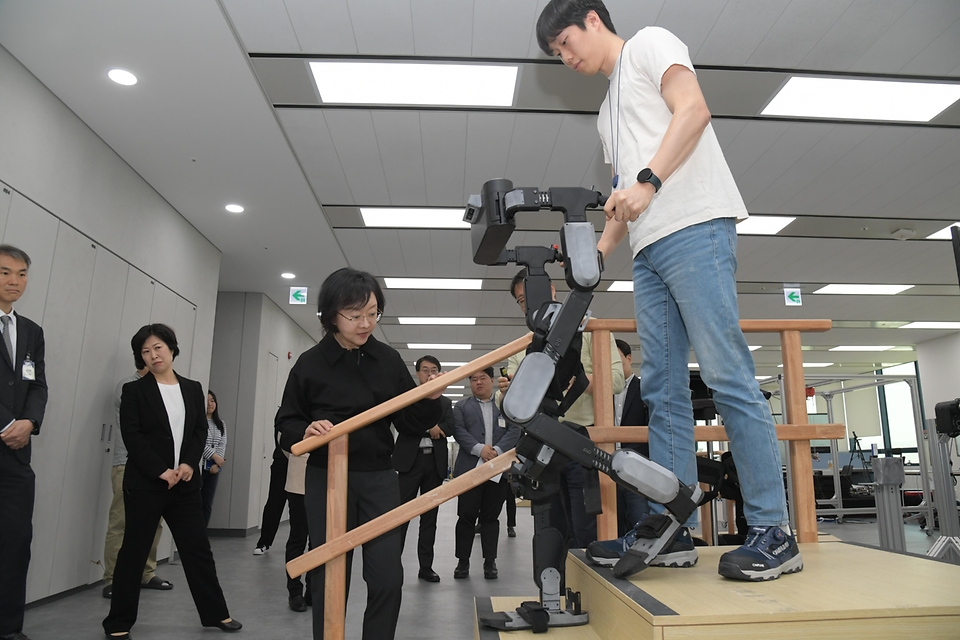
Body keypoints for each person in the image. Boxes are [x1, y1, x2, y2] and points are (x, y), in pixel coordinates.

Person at [537, 0, 802, 581]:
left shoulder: (649, 45)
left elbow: (694, 110)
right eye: (556, 55)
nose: (565, 58)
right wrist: (595, 257)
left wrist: (650, 181)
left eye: (564, 44)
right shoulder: (607, 111)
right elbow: (620, 194)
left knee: (727, 375)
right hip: (650, 248)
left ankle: (774, 530)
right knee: (660, 389)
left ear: (591, 19)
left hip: (695, 225)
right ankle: (672, 525)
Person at [275, 268, 444, 640]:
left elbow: (410, 422)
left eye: (373, 313)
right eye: (355, 315)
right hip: (326, 476)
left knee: (387, 576)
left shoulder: (386, 360)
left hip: (379, 477)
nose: (366, 323)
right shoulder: (309, 364)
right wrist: (305, 430)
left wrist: (431, 399)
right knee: (328, 578)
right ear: (330, 315)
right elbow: (286, 421)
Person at [103, 324, 241, 638]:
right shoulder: (134, 390)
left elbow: (198, 431)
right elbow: (132, 436)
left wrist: (190, 463)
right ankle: (118, 623)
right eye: (145, 351)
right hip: (147, 484)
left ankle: (216, 614)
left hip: (185, 484)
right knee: (134, 552)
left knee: (198, 551)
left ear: (171, 349)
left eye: (158, 348)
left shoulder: (192, 388)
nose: (153, 355)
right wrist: (159, 469)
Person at [497, 269, 623, 548]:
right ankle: (561, 589)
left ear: (552, 291)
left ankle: (590, 589)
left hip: (583, 442)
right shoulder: (525, 344)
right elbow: (505, 400)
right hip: (544, 448)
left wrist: (577, 382)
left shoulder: (592, 329)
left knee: (586, 531)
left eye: (530, 296)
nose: (527, 304)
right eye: (521, 301)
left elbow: (615, 381)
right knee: (551, 534)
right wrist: (505, 392)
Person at [0, 245, 47, 640]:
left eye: (21, 273)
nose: (14, 281)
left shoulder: (31, 331)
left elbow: (38, 384)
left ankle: (10, 628)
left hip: (16, 459)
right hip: (6, 435)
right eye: (4, 273)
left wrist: (30, 421)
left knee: (16, 542)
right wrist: (7, 423)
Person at [102, 363, 174, 598]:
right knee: (121, 522)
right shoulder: (129, 386)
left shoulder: (162, 389)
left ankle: (146, 572)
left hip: (159, 468)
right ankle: (113, 578)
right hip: (128, 464)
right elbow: (136, 431)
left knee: (155, 522)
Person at [452, 368, 520, 580]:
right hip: (469, 469)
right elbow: (458, 430)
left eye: (483, 378)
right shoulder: (461, 406)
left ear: (492, 380)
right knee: (466, 517)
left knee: (491, 518)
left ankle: (490, 562)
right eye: (474, 379)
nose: (478, 382)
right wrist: (479, 448)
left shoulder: (505, 406)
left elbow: (515, 431)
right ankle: (462, 562)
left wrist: (497, 452)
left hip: (497, 471)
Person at [393, 355, 454, 583]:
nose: (430, 374)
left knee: (430, 518)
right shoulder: (408, 399)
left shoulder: (446, 403)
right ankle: (393, 565)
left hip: (434, 464)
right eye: (425, 370)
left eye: (434, 370)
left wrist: (436, 428)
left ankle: (426, 567)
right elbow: (406, 426)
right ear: (417, 373)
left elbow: (450, 427)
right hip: (409, 462)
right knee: (401, 516)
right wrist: (430, 428)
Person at [613, 339, 650, 535]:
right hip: (608, 466)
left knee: (640, 519)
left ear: (629, 358)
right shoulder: (603, 392)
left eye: (617, 359)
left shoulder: (644, 389)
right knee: (613, 523)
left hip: (637, 468)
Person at [284, 449, 311, 612]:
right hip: (299, 481)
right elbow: (286, 444)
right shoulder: (293, 422)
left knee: (319, 540)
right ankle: (295, 593)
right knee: (298, 538)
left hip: (327, 481)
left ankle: (313, 590)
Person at [251, 432, 287, 555]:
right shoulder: (285, 415)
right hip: (282, 462)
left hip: (303, 464)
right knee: (274, 503)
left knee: (300, 507)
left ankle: (299, 545)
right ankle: (264, 543)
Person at [201, 390, 228, 526]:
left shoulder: (220, 424)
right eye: (207, 401)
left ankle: (202, 537)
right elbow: (200, 443)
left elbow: (222, 443)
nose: (210, 404)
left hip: (214, 470)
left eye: (212, 400)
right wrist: (214, 456)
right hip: (199, 468)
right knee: (195, 505)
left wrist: (217, 464)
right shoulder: (198, 422)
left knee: (207, 504)